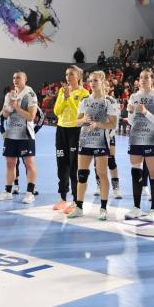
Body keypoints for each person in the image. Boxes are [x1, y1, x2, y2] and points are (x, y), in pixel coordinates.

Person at [67, 71, 117, 220]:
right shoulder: (85, 101)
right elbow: (76, 122)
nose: (92, 83)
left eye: (95, 80)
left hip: (101, 141)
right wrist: (83, 120)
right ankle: (79, 207)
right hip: (85, 140)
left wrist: (98, 124)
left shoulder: (109, 101)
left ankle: (103, 208)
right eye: (90, 81)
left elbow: (113, 124)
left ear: (102, 81)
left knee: (102, 174)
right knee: (81, 174)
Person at [124, 69, 154, 221]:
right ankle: (136, 208)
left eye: (146, 77)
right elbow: (131, 121)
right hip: (135, 138)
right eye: (141, 77)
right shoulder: (134, 96)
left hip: (151, 139)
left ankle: (153, 210)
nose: (143, 80)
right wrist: (130, 112)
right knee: (136, 172)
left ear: (152, 80)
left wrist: (145, 112)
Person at [0, 71, 39, 204]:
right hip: (11, 134)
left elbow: (31, 117)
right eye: (14, 77)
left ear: (25, 79)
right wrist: (9, 105)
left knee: (29, 163)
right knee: (10, 163)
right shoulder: (9, 95)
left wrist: (17, 107)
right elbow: (5, 115)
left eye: (18, 77)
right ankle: (8, 191)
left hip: (25, 135)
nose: (15, 80)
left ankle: (30, 193)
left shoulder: (30, 94)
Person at [53, 66, 89, 214]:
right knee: (62, 165)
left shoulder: (84, 93)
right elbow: (57, 111)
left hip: (75, 130)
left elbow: (81, 114)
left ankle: (75, 200)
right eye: (67, 74)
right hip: (61, 130)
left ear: (78, 76)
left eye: (71, 74)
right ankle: (63, 198)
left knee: (74, 166)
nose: (68, 77)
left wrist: (69, 98)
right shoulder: (62, 91)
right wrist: (64, 97)